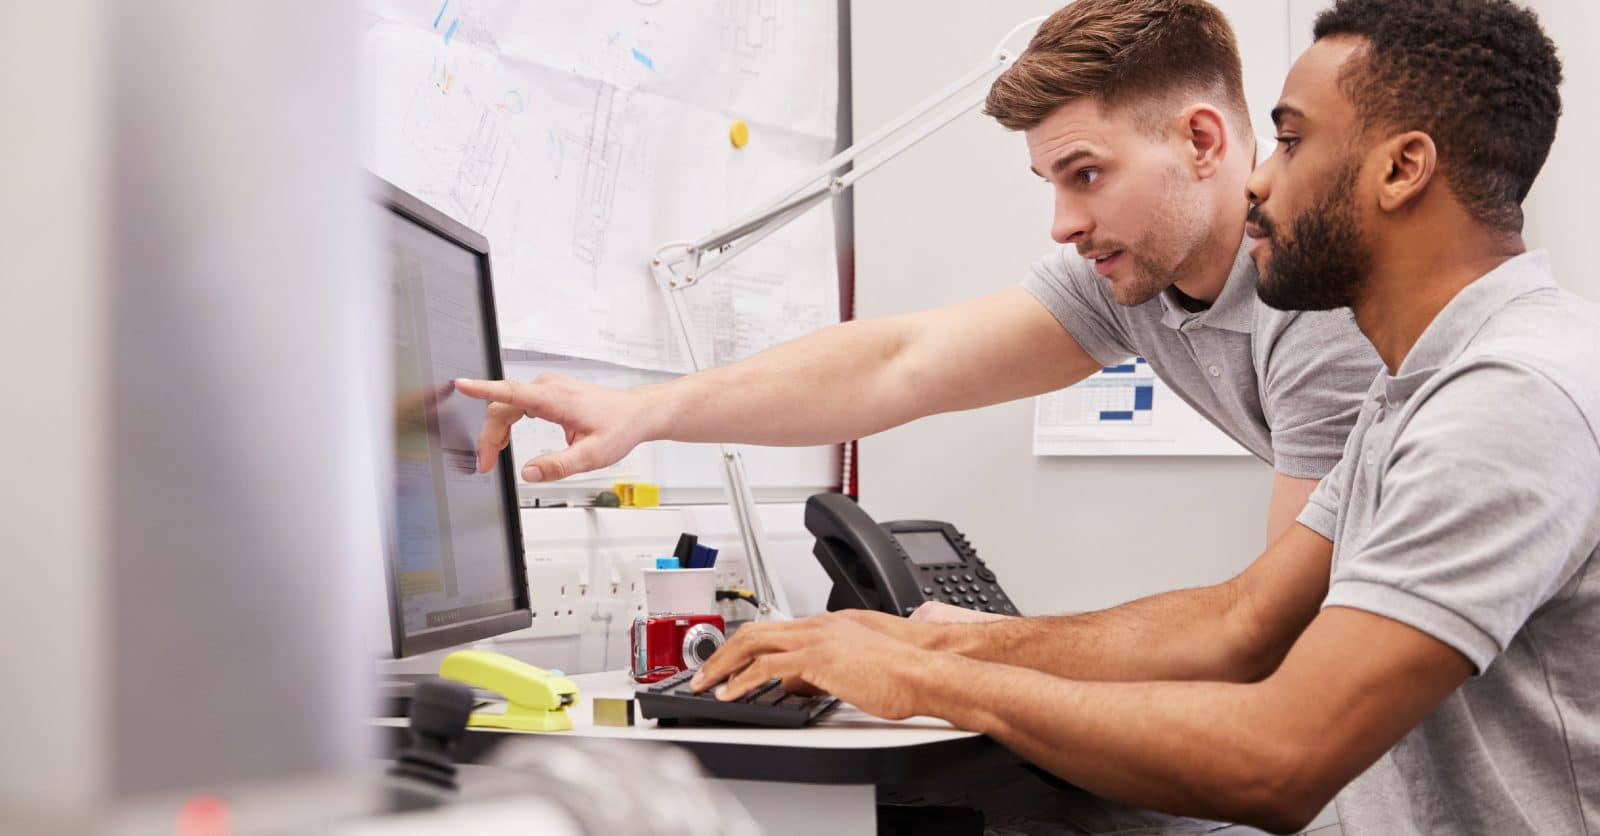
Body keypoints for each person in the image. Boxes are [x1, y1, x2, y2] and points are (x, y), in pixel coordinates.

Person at [682, 1, 1599, 833]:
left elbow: (1279, 758)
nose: (1259, 183)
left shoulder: (1507, 402)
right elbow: (1239, 621)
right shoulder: (1424, 387)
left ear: (1402, 169)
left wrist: (931, 677)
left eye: (1287, 143)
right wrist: (929, 640)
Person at [455, 1, 1383, 607]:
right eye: (1049, 182)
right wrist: (641, 413)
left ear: (1202, 140)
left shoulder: (1313, 304)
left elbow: (1272, 624)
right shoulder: (1132, 280)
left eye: (1086, 174)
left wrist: (972, 656)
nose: (1063, 224)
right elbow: (899, 362)